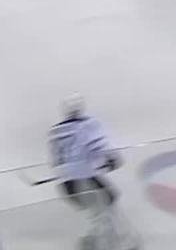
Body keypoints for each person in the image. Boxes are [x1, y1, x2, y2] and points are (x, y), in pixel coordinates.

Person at [49, 94, 138, 249]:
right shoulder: (88, 124)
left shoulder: (56, 131)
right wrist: (111, 160)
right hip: (86, 177)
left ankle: (95, 240)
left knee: (96, 210)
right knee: (107, 205)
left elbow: (57, 159)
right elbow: (97, 146)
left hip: (67, 183)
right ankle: (120, 242)